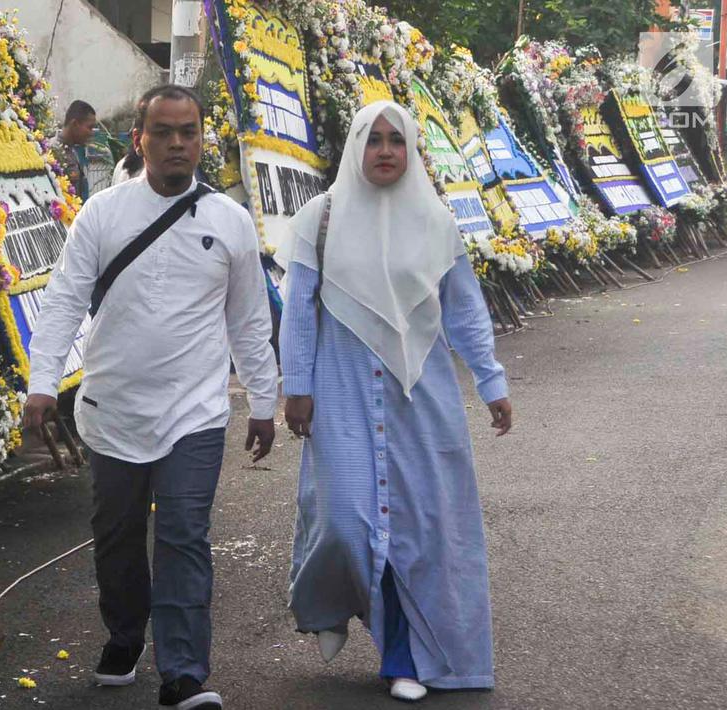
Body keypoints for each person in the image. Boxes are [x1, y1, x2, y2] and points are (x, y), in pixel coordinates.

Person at [22, 85, 278, 710]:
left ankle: (184, 673)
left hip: (195, 414)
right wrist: (41, 384)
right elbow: (61, 304)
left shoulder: (231, 221)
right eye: (163, 131)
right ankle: (125, 633)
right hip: (113, 413)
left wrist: (265, 400)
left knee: (184, 536)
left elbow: (248, 321)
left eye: (188, 131)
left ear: (200, 138)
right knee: (117, 534)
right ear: (139, 139)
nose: (177, 144)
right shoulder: (102, 215)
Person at [276, 100, 513, 703]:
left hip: (421, 397)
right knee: (346, 519)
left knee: (421, 530)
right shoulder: (319, 218)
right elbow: (299, 312)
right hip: (341, 391)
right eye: (373, 139)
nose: (385, 150)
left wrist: (491, 383)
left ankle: (404, 657)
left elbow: (463, 312)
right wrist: (296, 387)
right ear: (356, 147)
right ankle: (331, 603)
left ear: (411, 151)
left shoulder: (436, 223)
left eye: (397, 140)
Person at [51, 100, 98, 201]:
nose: (91, 133)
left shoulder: (72, 150)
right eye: (89, 127)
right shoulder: (53, 152)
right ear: (75, 124)